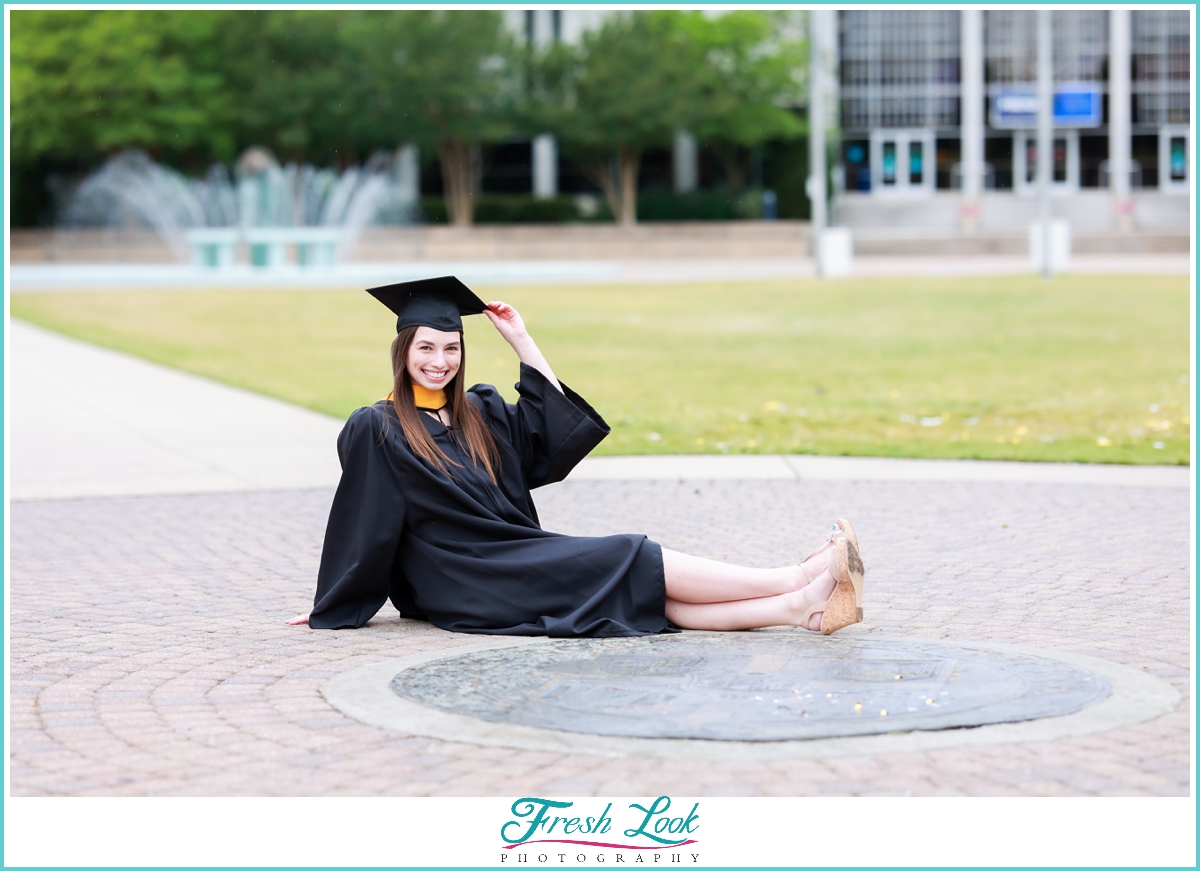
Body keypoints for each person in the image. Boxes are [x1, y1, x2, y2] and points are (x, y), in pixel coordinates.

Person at [287, 276, 864, 637]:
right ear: (402, 351)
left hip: (513, 556)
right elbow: (363, 521)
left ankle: (800, 610)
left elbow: (547, 438)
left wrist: (521, 340)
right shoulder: (378, 427)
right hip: (462, 578)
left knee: (644, 602)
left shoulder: (478, 414)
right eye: (426, 348)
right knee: (627, 555)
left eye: (451, 347)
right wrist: (332, 605)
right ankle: (792, 576)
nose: (439, 360)